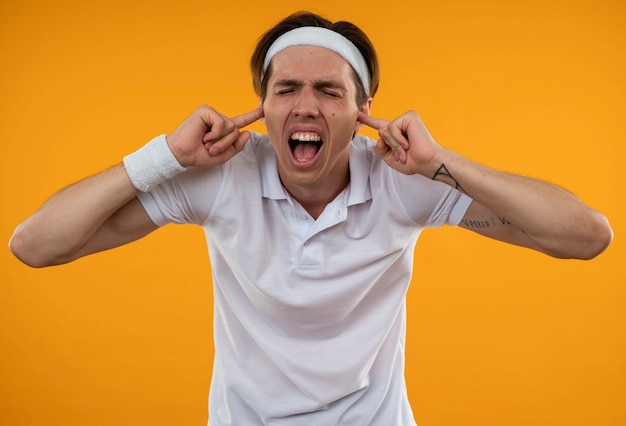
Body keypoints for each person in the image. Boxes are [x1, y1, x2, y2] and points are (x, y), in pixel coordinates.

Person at [9, 10, 612, 426]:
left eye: (329, 91)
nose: (305, 106)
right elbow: (34, 246)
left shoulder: (404, 182)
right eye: (287, 89)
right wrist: (162, 157)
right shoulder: (223, 176)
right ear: (261, 108)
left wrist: (441, 163)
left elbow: (587, 237)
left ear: (363, 112)